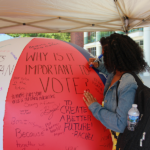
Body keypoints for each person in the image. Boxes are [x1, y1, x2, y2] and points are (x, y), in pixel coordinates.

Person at [83, 33, 150, 134]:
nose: (102, 58)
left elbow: (120, 124)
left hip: (123, 142)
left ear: (113, 58)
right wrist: (99, 65)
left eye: (104, 56)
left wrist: (94, 107)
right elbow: (109, 71)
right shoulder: (117, 72)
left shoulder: (128, 83)